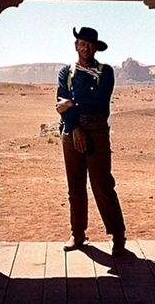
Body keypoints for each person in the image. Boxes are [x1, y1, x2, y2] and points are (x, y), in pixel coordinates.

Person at [56, 27, 126, 256]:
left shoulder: (106, 72)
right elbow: (60, 102)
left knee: (103, 184)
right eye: (82, 44)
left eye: (90, 44)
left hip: (97, 130)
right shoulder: (65, 72)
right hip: (70, 131)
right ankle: (77, 234)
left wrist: (71, 104)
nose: (85, 48)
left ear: (96, 47)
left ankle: (118, 235)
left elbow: (99, 102)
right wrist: (75, 127)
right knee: (75, 187)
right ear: (76, 45)